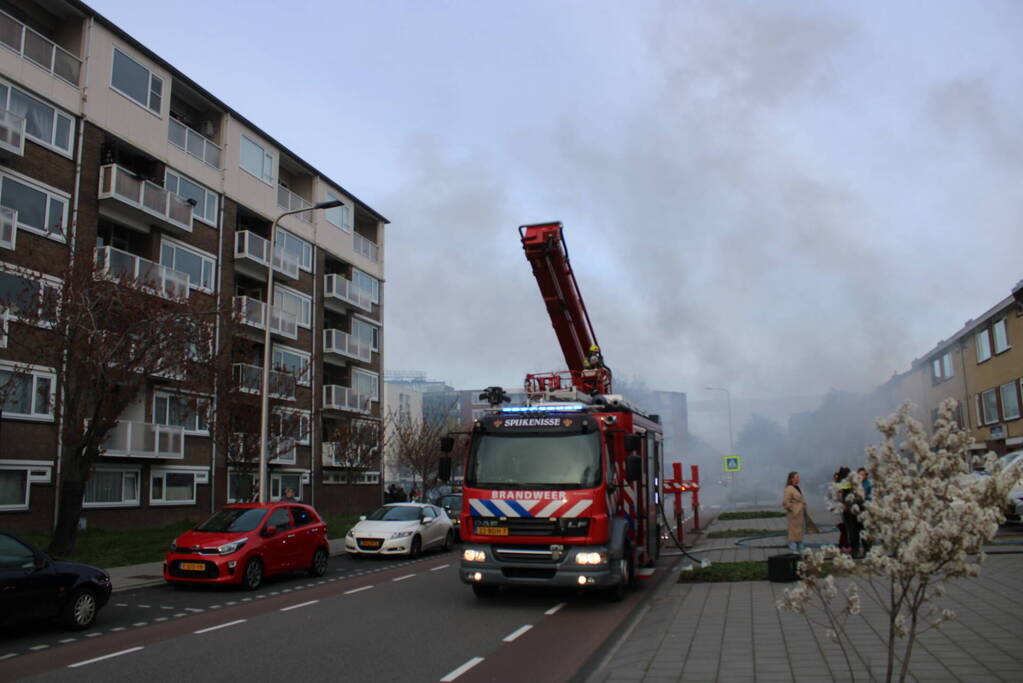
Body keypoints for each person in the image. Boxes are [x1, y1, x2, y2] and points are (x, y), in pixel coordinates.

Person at [782, 471, 808, 554]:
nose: (798, 479)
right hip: (794, 514)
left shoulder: (797, 487)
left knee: (800, 531)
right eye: (796, 477)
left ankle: (800, 548)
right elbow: (786, 502)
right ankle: (793, 549)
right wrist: (793, 509)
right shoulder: (789, 489)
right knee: (793, 532)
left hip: (800, 513)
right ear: (791, 479)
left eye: (798, 477)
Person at [833, 467, 851, 552]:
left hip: (842, 510)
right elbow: (840, 497)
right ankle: (843, 546)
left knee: (845, 529)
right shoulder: (841, 485)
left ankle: (845, 545)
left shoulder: (840, 485)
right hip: (841, 511)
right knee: (844, 529)